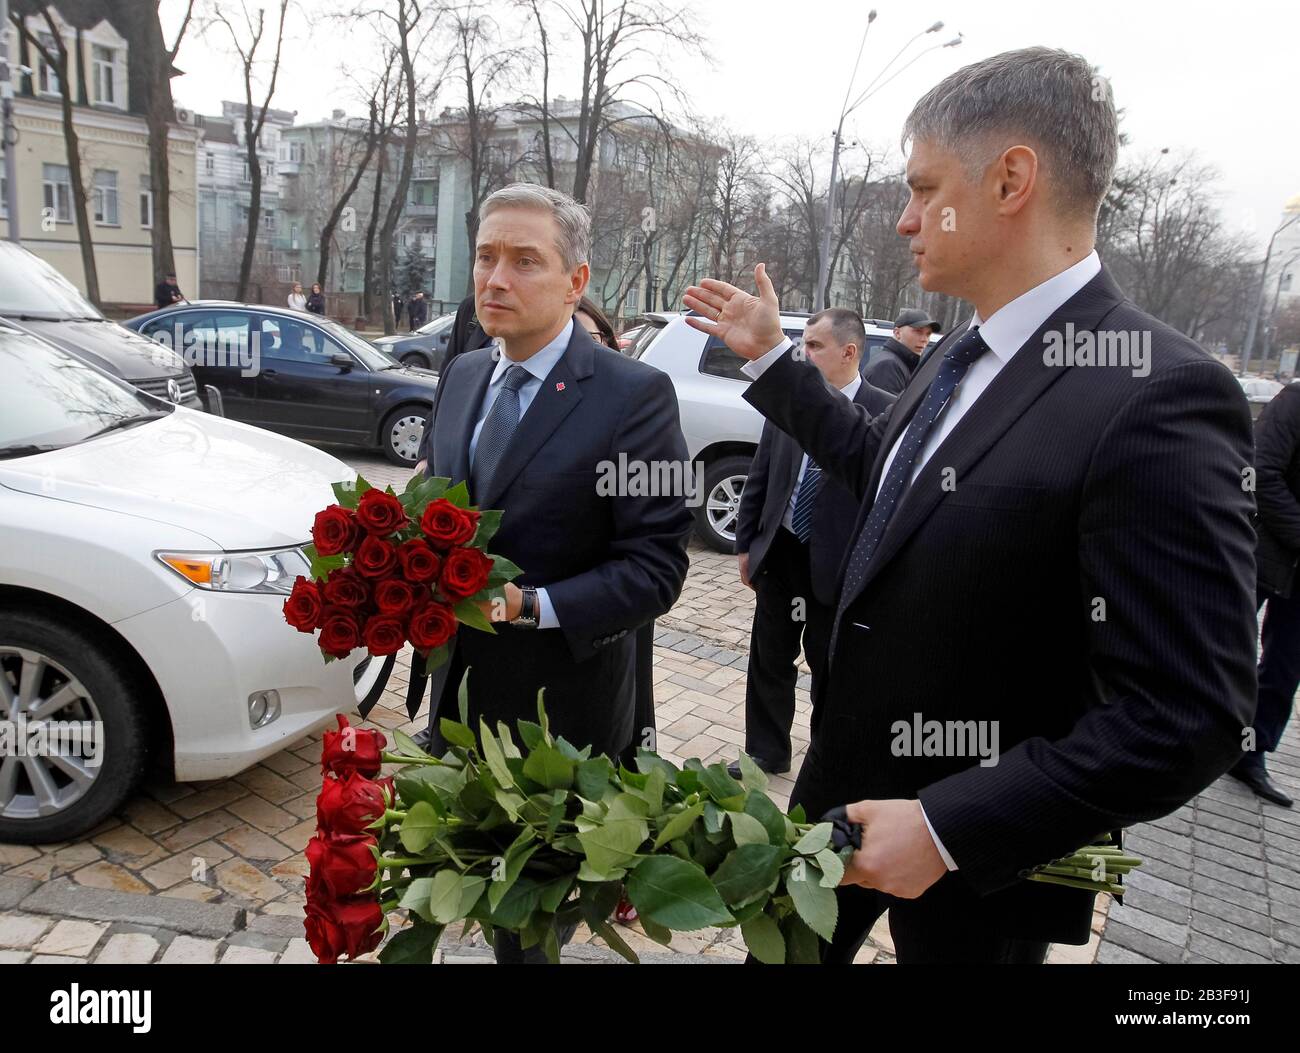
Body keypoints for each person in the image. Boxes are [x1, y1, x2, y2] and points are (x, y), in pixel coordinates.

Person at [684, 47, 1256, 964]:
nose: (905, 219)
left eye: (922, 187)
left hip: (982, 858)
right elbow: (891, 481)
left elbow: (1185, 713)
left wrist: (949, 827)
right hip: (842, 782)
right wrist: (772, 365)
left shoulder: (1155, 392)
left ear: (1010, 179)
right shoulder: (957, 354)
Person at [409, 182, 693, 963]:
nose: (495, 279)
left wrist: (530, 605)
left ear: (576, 281)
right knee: (475, 885)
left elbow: (657, 567)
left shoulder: (636, 396)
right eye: (486, 257)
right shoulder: (464, 372)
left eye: (524, 261)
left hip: (562, 722)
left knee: (533, 920)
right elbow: (447, 496)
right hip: (459, 698)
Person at [731, 309, 895, 779]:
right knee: (768, 660)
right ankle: (765, 752)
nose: (804, 354)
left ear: (849, 352)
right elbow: (761, 473)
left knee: (833, 670)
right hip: (782, 552)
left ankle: (828, 758)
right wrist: (747, 544)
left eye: (816, 346)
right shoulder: (788, 400)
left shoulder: (885, 410)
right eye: (802, 344)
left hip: (839, 565)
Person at [575, 294, 650, 926]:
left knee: (624, 744)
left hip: (607, 622)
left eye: (590, 340)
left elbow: (649, 557)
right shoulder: (474, 380)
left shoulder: (630, 399)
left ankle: (619, 867)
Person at [1237, 382, 1300, 806]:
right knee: (1216, 647)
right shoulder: (1295, 400)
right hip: (1262, 548)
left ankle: (1250, 754)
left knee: (1285, 667)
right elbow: (1262, 471)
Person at [863, 308, 941, 394]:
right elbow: (887, 407)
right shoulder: (888, 366)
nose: (924, 339)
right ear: (897, 333)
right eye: (918, 332)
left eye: (928, 334)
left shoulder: (900, 363)